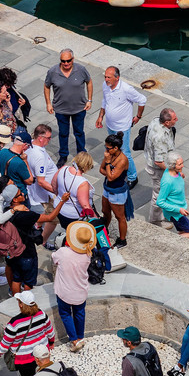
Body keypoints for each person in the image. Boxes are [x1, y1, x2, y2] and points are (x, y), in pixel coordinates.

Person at [95, 66, 145, 184]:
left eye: (109, 77)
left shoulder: (126, 89)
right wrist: (101, 116)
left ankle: (133, 177)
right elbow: (104, 101)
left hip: (122, 128)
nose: (106, 79)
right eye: (105, 77)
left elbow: (142, 100)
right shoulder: (105, 85)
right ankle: (117, 170)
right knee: (113, 150)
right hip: (110, 125)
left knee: (125, 152)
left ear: (117, 78)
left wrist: (138, 116)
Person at [44, 50, 92, 162]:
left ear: (73, 59)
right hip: (61, 109)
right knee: (63, 133)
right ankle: (63, 155)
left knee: (79, 132)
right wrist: (48, 103)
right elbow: (46, 86)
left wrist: (89, 100)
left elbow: (89, 82)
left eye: (68, 61)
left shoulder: (81, 70)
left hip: (79, 108)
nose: (66, 63)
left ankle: (81, 154)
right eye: (63, 61)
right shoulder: (52, 71)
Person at [53, 221, 94, 351]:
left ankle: (74, 339)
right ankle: (80, 336)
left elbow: (54, 258)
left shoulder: (63, 252)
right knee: (79, 313)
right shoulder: (88, 254)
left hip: (65, 291)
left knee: (65, 314)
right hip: (81, 290)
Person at [144, 108, 179, 222]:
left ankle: (165, 213)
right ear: (167, 122)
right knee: (159, 195)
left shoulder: (155, 120)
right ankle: (155, 220)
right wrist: (172, 171)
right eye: (174, 119)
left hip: (159, 161)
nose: (177, 119)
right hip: (158, 170)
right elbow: (158, 162)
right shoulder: (160, 137)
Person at [98, 133, 131, 247]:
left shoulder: (122, 160)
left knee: (119, 217)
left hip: (117, 192)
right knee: (105, 212)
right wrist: (109, 171)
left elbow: (112, 177)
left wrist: (108, 163)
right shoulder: (109, 155)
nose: (106, 150)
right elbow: (101, 170)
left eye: (108, 148)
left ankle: (122, 240)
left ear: (116, 148)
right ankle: (104, 231)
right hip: (107, 189)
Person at [52, 152, 96, 239]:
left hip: (59, 209)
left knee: (68, 231)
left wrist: (60, 196)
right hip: (74, 215)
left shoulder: (63, 168)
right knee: (77, 237)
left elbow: (53, 185)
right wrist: (95, 218)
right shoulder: (82, 183)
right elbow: (85, 205)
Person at [156, 154, 189, 238]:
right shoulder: (167, 181)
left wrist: (180, 174)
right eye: (179, 164)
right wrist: (178, 209)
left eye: (182, 163)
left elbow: (176, 176)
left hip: (180, 210)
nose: (182, 166)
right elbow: (159, 202)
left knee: (183, 231)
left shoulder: (175, 172)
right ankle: (171, 241)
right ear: (172, 166)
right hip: (175, 214)